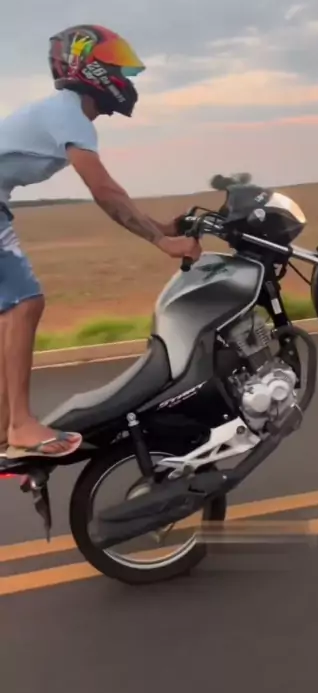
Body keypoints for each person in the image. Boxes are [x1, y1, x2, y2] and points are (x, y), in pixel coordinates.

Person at [0, 24, 201, 460]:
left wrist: (162, 228)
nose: (126, 80)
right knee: (24, 304)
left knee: (13, 311)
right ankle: (19, 425)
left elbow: (112, 194)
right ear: (89, 68)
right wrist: (161, 243)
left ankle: (6, 424)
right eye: (118, 68)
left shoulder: (64, 113)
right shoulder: (68, 114)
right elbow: (105, 191)